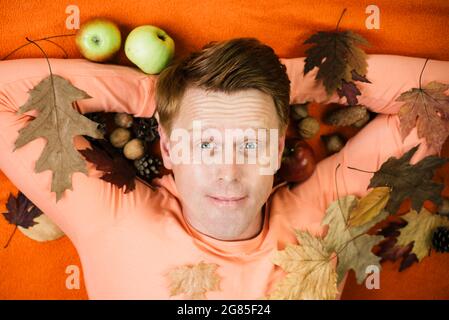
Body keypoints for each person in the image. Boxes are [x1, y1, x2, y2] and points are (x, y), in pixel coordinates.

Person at [0, 38, 447, 299]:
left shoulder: (322, 221)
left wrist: (289, 81)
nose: (228, 172)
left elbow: (439, 101)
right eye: (205, 144)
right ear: (170, 149)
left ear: (275, 152)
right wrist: (151, 94)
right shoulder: (111, 216)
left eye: (252, 143)